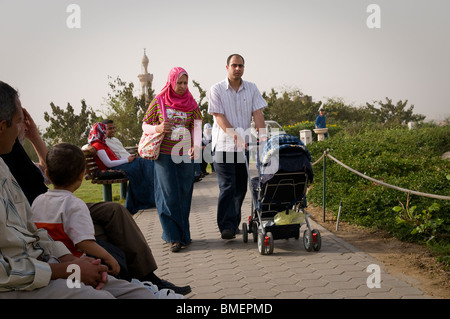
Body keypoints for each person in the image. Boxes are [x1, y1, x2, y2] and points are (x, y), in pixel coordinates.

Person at [0, 87, 191, 295]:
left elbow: (49, 169)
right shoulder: (6, 156)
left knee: (114, 211)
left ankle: (147, 277)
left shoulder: (8, 154)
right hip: (48, 215)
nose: (23, 126)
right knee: (89, 228)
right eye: (19, 120)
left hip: (49, 206)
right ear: (3, 126)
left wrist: (34, 136)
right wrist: (68, 266)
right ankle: (136, 279)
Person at [31, 143, 121, 278]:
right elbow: (84, 242)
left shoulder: (37, 201)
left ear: (47, 175)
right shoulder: (74, 205)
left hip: (48, 264)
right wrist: (108, 256)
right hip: (73, 266)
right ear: (82, 175)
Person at [142, 67, 202, 252]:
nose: (183, 86)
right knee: (168, 195)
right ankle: (173, 237)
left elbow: (197, 124)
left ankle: (184, 235)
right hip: (164, 155)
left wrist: (196, 145)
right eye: (179, 83)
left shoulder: (191, 102)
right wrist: (158, 128)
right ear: (171, 81)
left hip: (184, 154)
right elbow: (145, 124)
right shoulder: (159, 100)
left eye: (186, 83)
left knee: (184, 193)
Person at [208, 54, 267, 240]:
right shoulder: (216, 89)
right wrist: (236, 135)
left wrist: (263, 136)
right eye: (234, 65)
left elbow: (257, 113)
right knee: (228, 186)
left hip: (243, 149)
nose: (237, 69)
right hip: (223, 147)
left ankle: (233, 223)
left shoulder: (251, 88)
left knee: (241, 187)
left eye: (241, 65)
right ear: (227, 67)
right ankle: (226, 227)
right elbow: (219, 117)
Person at [88, 122, 155, 215]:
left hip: (118, 165)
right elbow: (109, 163)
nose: (105, 132)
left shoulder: (101, 143)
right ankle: (148, 199)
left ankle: (149, 198)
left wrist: (128, 159)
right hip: (111, 169)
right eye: (104, 130)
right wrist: (127, 160)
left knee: (142, 162)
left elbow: (113, 159)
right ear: (100, 131)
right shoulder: (97, 145)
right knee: (141, 164)